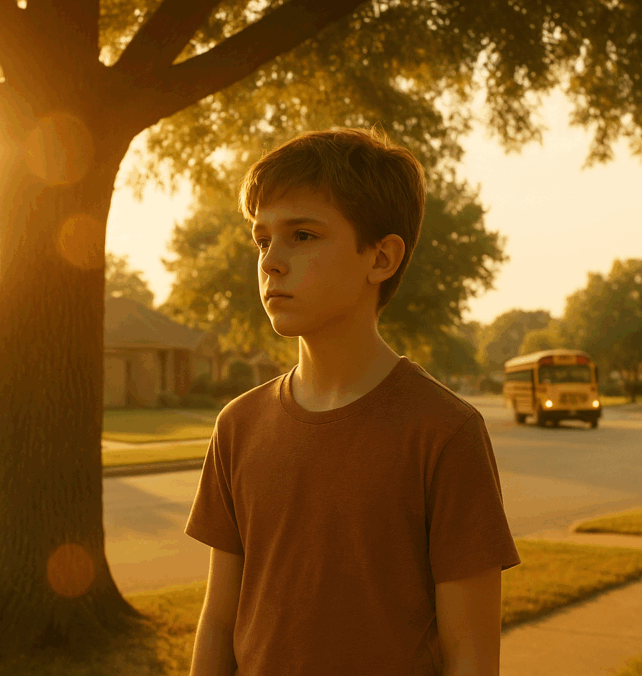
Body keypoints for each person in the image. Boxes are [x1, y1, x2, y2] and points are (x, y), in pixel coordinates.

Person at [185, 127, 520, 676]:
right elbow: (220, 624)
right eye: (262, 238)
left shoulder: (444, 432)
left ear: (382, 257)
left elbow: (471, 656)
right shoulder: (238, 427)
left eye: (304, 235)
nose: (271, 261)